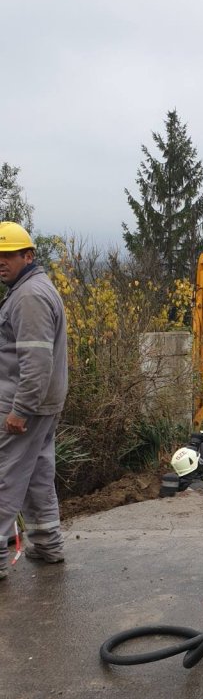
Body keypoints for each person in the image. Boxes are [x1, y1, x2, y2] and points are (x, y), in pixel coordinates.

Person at [0, 221, 68, 580]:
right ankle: (46, 544)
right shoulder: (35, 290)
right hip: (44, 404)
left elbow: (36, 361)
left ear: (29, 255)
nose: (2, 262)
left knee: (5, 477)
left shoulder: (28, 297)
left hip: (24, 404)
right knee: (39, 475)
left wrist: (19, 410)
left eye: (9, 255)